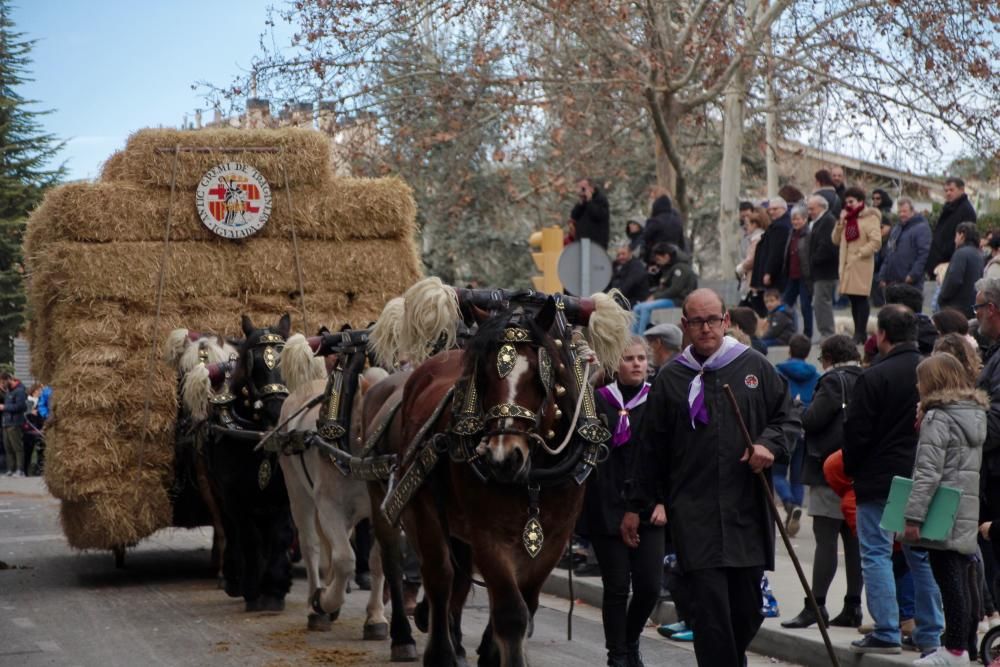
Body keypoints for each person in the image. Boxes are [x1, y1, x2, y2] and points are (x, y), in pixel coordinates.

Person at [621, 288, 798, 667]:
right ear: (684, 325)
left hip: (747, 510)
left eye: (713, 320)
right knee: (710, 612)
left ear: (726, 321)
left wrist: (769, 445)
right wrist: (637, 506)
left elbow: (789, 419)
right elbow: (650, 450)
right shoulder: (671, 378)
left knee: (748, 609)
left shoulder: (755, 367)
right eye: (697, 322)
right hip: (694, 513)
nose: (706, 328)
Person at [843, 305, 945, 655]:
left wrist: (854, 470)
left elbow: (856, 433)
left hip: (879, 475)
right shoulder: (931, 371)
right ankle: (931, 631)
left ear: (881, 335)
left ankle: (887, 628)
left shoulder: (874, 376)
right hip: (923, 473)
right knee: (921, 555)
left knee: (876, 552)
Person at [581, 338, 664, 667]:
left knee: (649, 586)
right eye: (629, 358)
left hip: (648, 506)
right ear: (616, 364)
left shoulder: (658, 399)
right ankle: (617, 654)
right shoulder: (598, 401)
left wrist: (663, 502)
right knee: (616, 586)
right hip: (607, 504)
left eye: (642, 358)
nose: (637, 364)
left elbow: (671, 455)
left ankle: (630, 640)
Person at [901, 353, 986, 666]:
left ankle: (953, 651)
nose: (917, 386)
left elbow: (927, 472)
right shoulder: (973, 414)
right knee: (960, 581)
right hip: (964, 507)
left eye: (920, 380)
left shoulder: (939, 418)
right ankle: (962, 647)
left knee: (948, 582)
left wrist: (913, 516)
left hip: (940, 512)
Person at [783, 334, 864, 629]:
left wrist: (797, 407)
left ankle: (815, 607)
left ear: (828, 357)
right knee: (853, 539)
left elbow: (812, 419)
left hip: (830, 468)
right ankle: (853, 605)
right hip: (859, 468)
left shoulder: (832, 381)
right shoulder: (866, 376)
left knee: (825, 538)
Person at [773, 334, 819, 537]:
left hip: (783, 428)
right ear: (808, 353)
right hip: (804, 429)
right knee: (798, 476)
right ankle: (796, 507)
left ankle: (788, 503)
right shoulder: (816, 375)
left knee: (777, 473)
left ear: (789, 350)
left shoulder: (777, 372)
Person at [832, 187, 882, 344]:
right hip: (847, 266)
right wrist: (840, 222)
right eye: (846, 202)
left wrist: (860, 253)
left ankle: (860, 333)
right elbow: (835, 240)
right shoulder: (847, 218)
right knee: (853, 300)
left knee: (861, 299)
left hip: (861, 265)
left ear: (860, 201)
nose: (848, 204)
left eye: (851, 201)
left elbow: (876, 242)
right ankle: (858, 333)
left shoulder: (870, 218)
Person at [632, 243, 697, 333]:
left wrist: (655, 297)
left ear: (666, 256)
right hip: (670, 299)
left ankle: (641, 337)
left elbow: (675, 289)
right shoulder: (669, 268)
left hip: (678, 300)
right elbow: (663, 287)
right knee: (637, 308)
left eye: (658, 259)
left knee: (645, 308)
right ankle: (633, 338)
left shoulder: (680, 268)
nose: (657, 262)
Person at [927, 177, 978, 282]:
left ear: (961, 190)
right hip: (938, 263)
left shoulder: (966, 210)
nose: (948, 193)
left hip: (948, 264)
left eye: (951, 190)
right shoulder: (948, 208)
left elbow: (966, 240)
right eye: (946, 190)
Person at [878, 197, 932, 293]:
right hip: (892, 282)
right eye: (899, 212)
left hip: (910, 283)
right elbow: (889, 253)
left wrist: (912, 275)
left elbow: (924, 255)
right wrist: (882, 275)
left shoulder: (921, 228)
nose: (902, 214)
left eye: (904, 211)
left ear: (912, 211)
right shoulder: (896, 229)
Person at [807, 194, 840, 338]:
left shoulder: (828, 221)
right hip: (819, 271)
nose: (809, 212)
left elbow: (827, 246)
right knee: (819, 304)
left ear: (821, 207)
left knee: (822, 304)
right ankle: (825, 333)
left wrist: (814, 260)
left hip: (825, 272)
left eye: (812, 208)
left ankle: (828, 334)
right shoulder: (818, 221)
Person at [939, 222, 985, 318]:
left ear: (962, 235)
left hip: (956, 309)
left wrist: (942, 296)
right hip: (972, 308)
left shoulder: (961, 254)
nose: (955, 240)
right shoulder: (979, 255)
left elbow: (954, 279)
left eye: (956, 236)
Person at [783, 205, 813, 338]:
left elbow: (809, 256)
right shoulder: (791, 233)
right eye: (793, 219)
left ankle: (808, 334)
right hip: (792, 275)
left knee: (805, 306)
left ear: (805, 219)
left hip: (804, 276)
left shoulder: (808, 234)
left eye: (798, 219)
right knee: (785, 304)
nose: (795, 222)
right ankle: (788, 331)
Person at [641, 189, 685, 259]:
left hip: (657, 258)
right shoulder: (677, 220)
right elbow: (682, 243)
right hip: (675, 258)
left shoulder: (656, 221)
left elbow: (645, 239)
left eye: (652, 199)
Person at [737, 207, 766, 307]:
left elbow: (751, 260)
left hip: (753, 282)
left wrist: (740, 268)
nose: (746, 228)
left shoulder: (756, 239)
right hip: (754, 281)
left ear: (754, 225)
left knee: (748, 310)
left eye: (747, 225)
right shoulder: (759, 237)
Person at [570, 177, 610, 249]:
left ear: (591, 187)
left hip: (596, 243)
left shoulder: (601, 199)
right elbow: (574, 216)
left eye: (583, 188)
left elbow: (598, 215)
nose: (582, 191)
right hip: (582, 241)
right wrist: (581, 203)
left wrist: (590, 201)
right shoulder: (583, 201)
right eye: (579, 188)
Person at [761, 197, 792, 292]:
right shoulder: (785, 223)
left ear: (784, 209)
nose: (771, 212)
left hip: (778, 274)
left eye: (775, 209)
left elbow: (776, 251)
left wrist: (769, 272)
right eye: (769, 209)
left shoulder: (780, 227)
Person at [1, 372, 27, 477]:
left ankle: (20, 469)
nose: (2, 384)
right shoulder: (8, 392)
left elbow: (21, 407)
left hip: (15, 423)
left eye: (3, 382)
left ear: (8, 379)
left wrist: (4, 407)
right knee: (8, 447)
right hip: (6, 422)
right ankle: (10, 469)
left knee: (17, 447)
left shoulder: (19, 391)